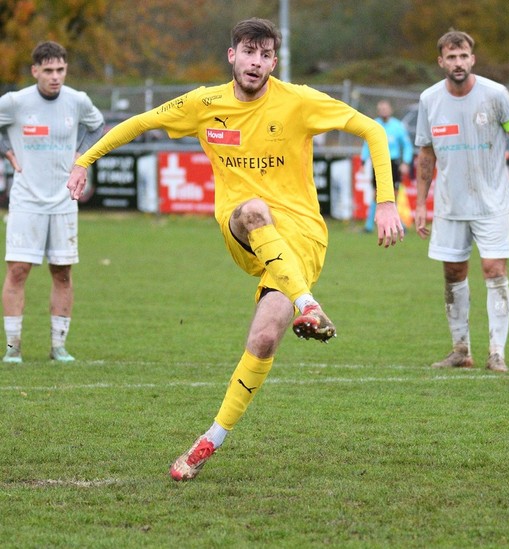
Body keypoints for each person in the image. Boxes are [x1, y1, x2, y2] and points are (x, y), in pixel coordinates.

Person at [65, 18, 404, 480]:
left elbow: (373, 131)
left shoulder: (299, 100)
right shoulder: (204, 104)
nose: (256, 62)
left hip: (301, 239)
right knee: (254, 208)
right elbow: (142, 122)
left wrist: (386, 202)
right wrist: (84, 160)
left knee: (263, 340)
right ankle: (309, 305)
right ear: (232, 55)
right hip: (242, 228)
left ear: (274, 62)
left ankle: (210, 440)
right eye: (248, 52)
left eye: (265, 55)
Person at [413, 30, 509, 373]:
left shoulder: (495, 95)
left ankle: (497, 352)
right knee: (453, 272)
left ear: (473, 59)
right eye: (451, 57)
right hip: (450, 205)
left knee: (494, 270)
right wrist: (421, 203)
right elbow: (426, 154)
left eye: (463, 56)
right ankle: (461, 350)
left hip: (491, 204)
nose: (458, 63)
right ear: (441, 61)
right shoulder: (429, 99)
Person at [0, 41, 105, 363]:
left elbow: (98, 126)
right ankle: (13, 348)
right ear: (35, 71)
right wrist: (7, 150)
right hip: (26, 201)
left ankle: (58, 346)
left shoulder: (78, 101)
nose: (55, 76)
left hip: (64, 200)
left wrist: (81, 156)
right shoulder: (16, 102)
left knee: (62, 272)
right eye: (48, 70)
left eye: (60, 69)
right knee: (18, 271)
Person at [361, 99, 413, 232]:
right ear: (378, 111)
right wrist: (363, 160)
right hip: (377, 163)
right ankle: (369, 226)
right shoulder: (374, 124)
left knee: (394, 194)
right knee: (376, 193)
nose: (383, 111)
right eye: (381, 109)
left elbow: (407, 145)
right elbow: (367, 144)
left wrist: (406, 162)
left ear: (390, 110)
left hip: (393, 162)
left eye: (385, 108)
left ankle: (398, 223)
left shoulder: (398, 126)